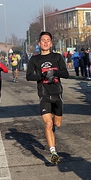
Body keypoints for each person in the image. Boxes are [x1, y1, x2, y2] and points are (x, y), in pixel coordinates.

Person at [26, 31, 69, 164]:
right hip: (44, 94)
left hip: (57, 93)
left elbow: (66, 74)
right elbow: (29, 76)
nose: (45, 42)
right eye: (43, 40)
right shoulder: (34, 59)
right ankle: (53, 152)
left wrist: (54, 72)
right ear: (39, 44)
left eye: (48, 40)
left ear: (51, 43)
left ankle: (54, 127)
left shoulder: (57, 57)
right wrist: (42, 76)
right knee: (48, 123)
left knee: (57, 123)